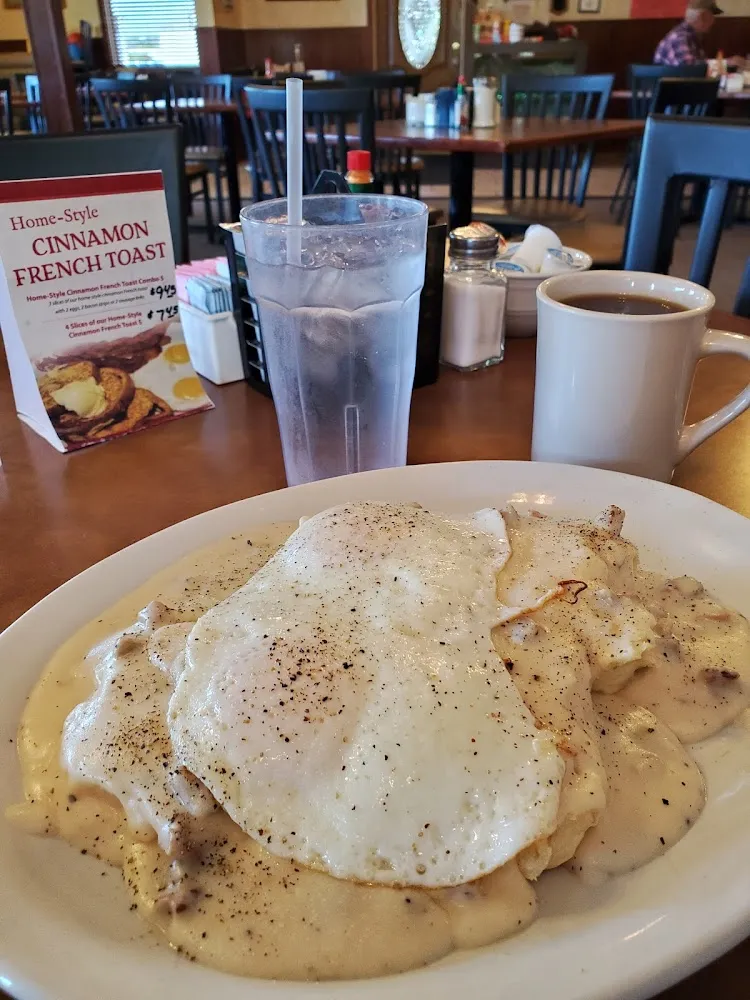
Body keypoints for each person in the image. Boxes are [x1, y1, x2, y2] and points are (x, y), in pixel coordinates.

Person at [654, 0, 725, 67]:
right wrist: (724, 63)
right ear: (703, 17)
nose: (714, 20)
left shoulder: (690, 35)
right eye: (712, 15)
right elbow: (690, 67)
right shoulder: (680, 37)